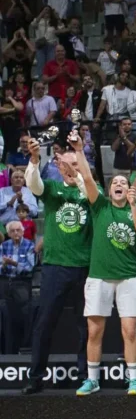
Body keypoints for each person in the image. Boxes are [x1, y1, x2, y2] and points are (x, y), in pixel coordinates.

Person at [69, 132, 136, 396]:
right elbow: (88, 179)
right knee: (94, 331)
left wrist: (134, 205)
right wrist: (79, 150)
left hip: (129, 277)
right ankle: (92, 379)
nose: (120, 184)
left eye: (124, 182)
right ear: (110, 187)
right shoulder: (100, 205)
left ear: (129, 189)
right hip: (99, 276)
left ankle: (133, 379)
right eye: (116, 181)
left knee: (129, 330)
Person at [21, 140, 91, 395]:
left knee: (86, 327)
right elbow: (33, 184)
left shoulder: (89, 190)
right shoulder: (51, 188)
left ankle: (86, 376)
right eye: (69, 165)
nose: (73, 169)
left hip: (84, 267)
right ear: (60, 168)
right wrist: (35, 158)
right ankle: (36, 377)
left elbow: (93, 197)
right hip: (55, 267)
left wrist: (81, 175)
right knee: (45, 323)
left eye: (77, 164)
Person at [0, 220, 35, 355]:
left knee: (23, 316)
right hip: (5, 282)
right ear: (8, 233)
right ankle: (8, 350)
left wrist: (14, 263)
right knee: (6, 317)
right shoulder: (4, 246)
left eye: (18, 230)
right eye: (12, 231)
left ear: (23, 231)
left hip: (22, 284)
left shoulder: (29, 245)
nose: (16, 233)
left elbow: (29, 267)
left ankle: (24, 348)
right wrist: (4, 265)